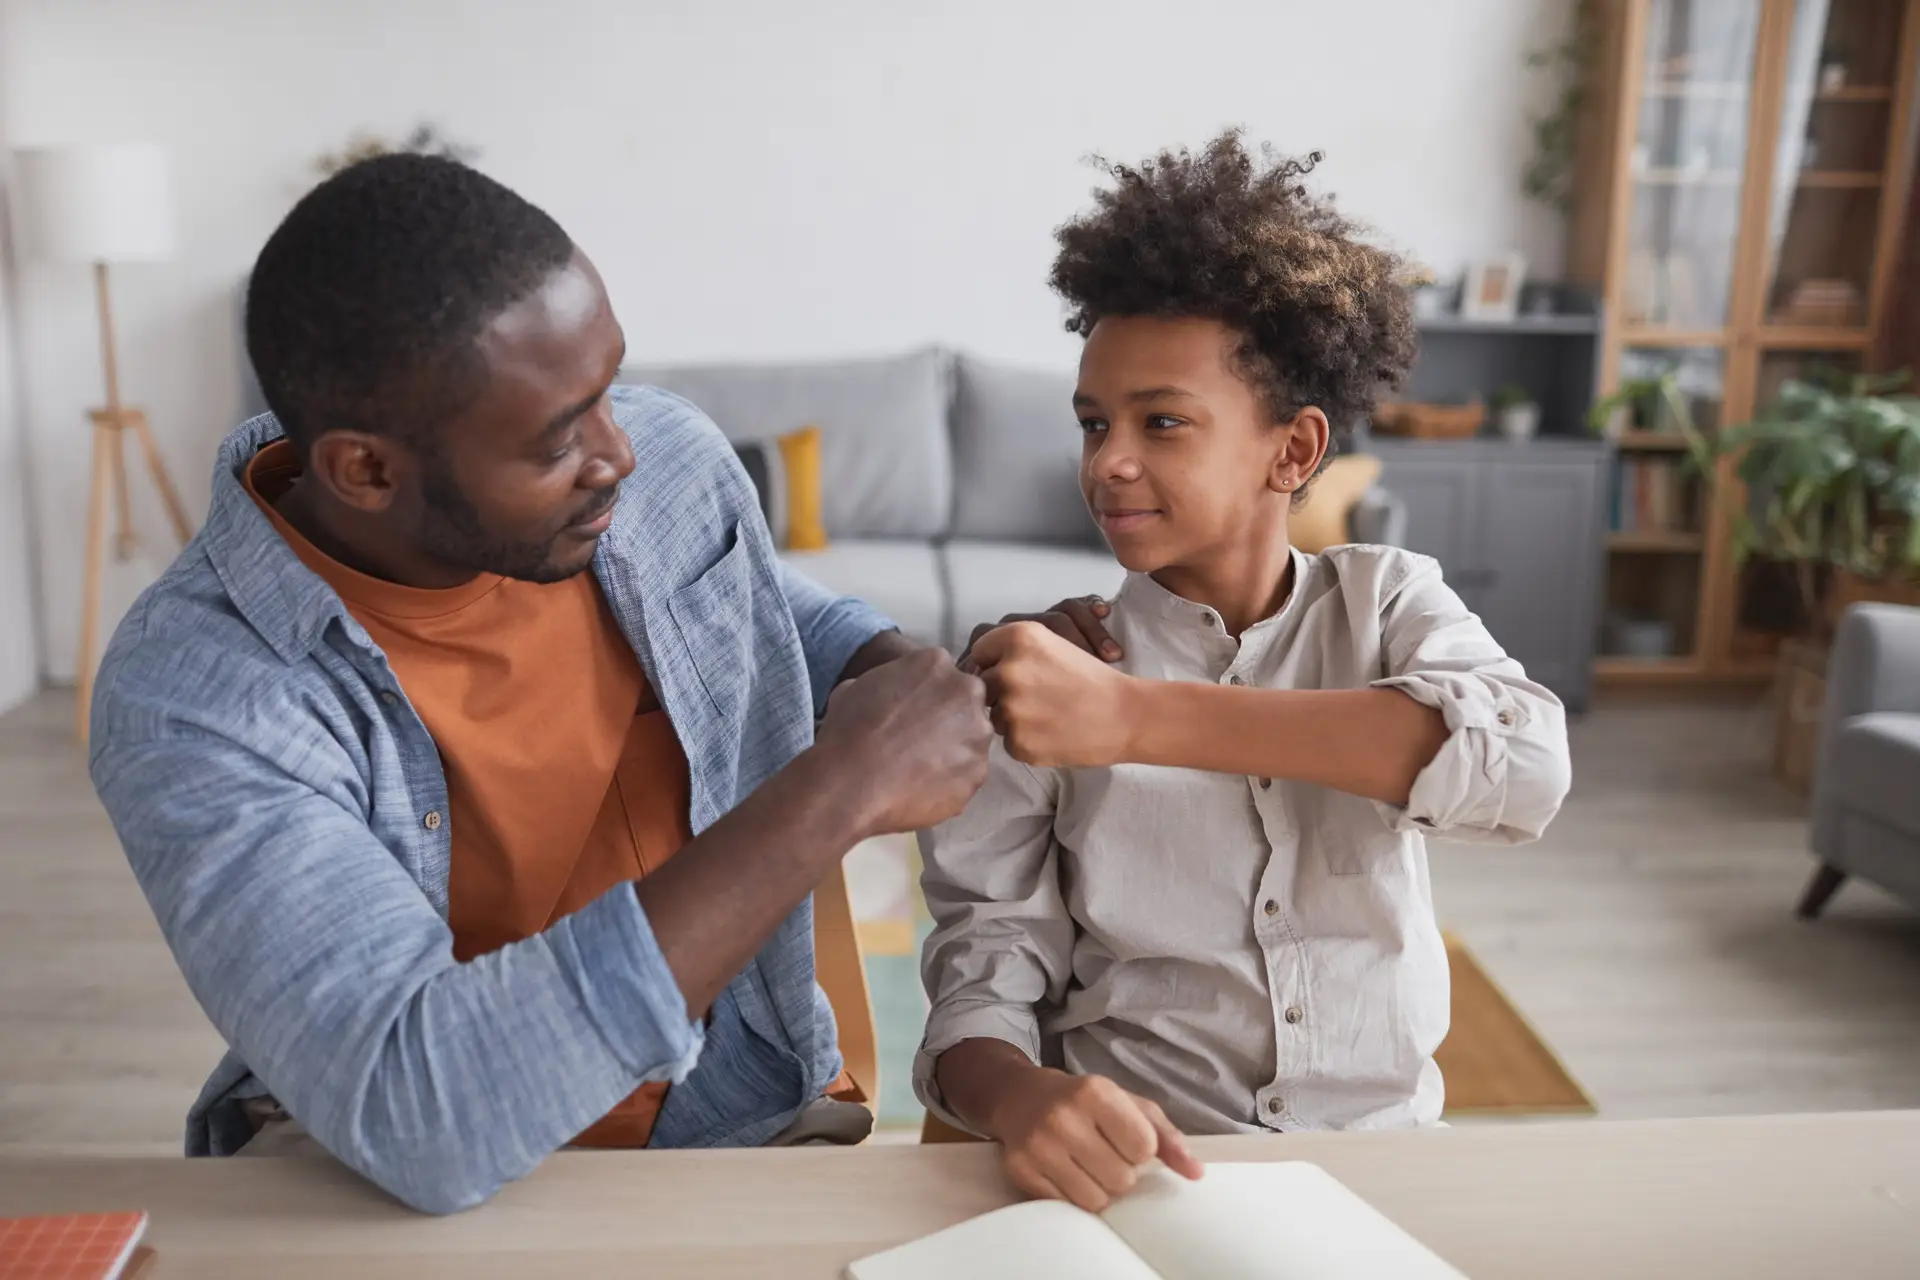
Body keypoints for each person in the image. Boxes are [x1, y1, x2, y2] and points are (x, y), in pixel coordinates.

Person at [87, 154, 998, 1214]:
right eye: (559, 438)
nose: (619, 451)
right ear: (366, 471)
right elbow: (420, 1112)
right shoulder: (194, 700)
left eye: (609, 388)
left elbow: (764, 610)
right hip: (382, 1186)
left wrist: (911, 673)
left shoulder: (665, 465)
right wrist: (842, 791)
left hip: (736, 1114)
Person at [916, 133, 1574, 1212]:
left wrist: (1133, 719)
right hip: (1143, 1175)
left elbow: (1525, 769)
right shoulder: (1043, 668)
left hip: (1388, 1163)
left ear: (1294, 451)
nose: (1106, 461)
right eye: (1093, 423)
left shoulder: (1388, 603)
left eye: (1161, 421)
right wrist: (1017, 1094)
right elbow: (982, 965)